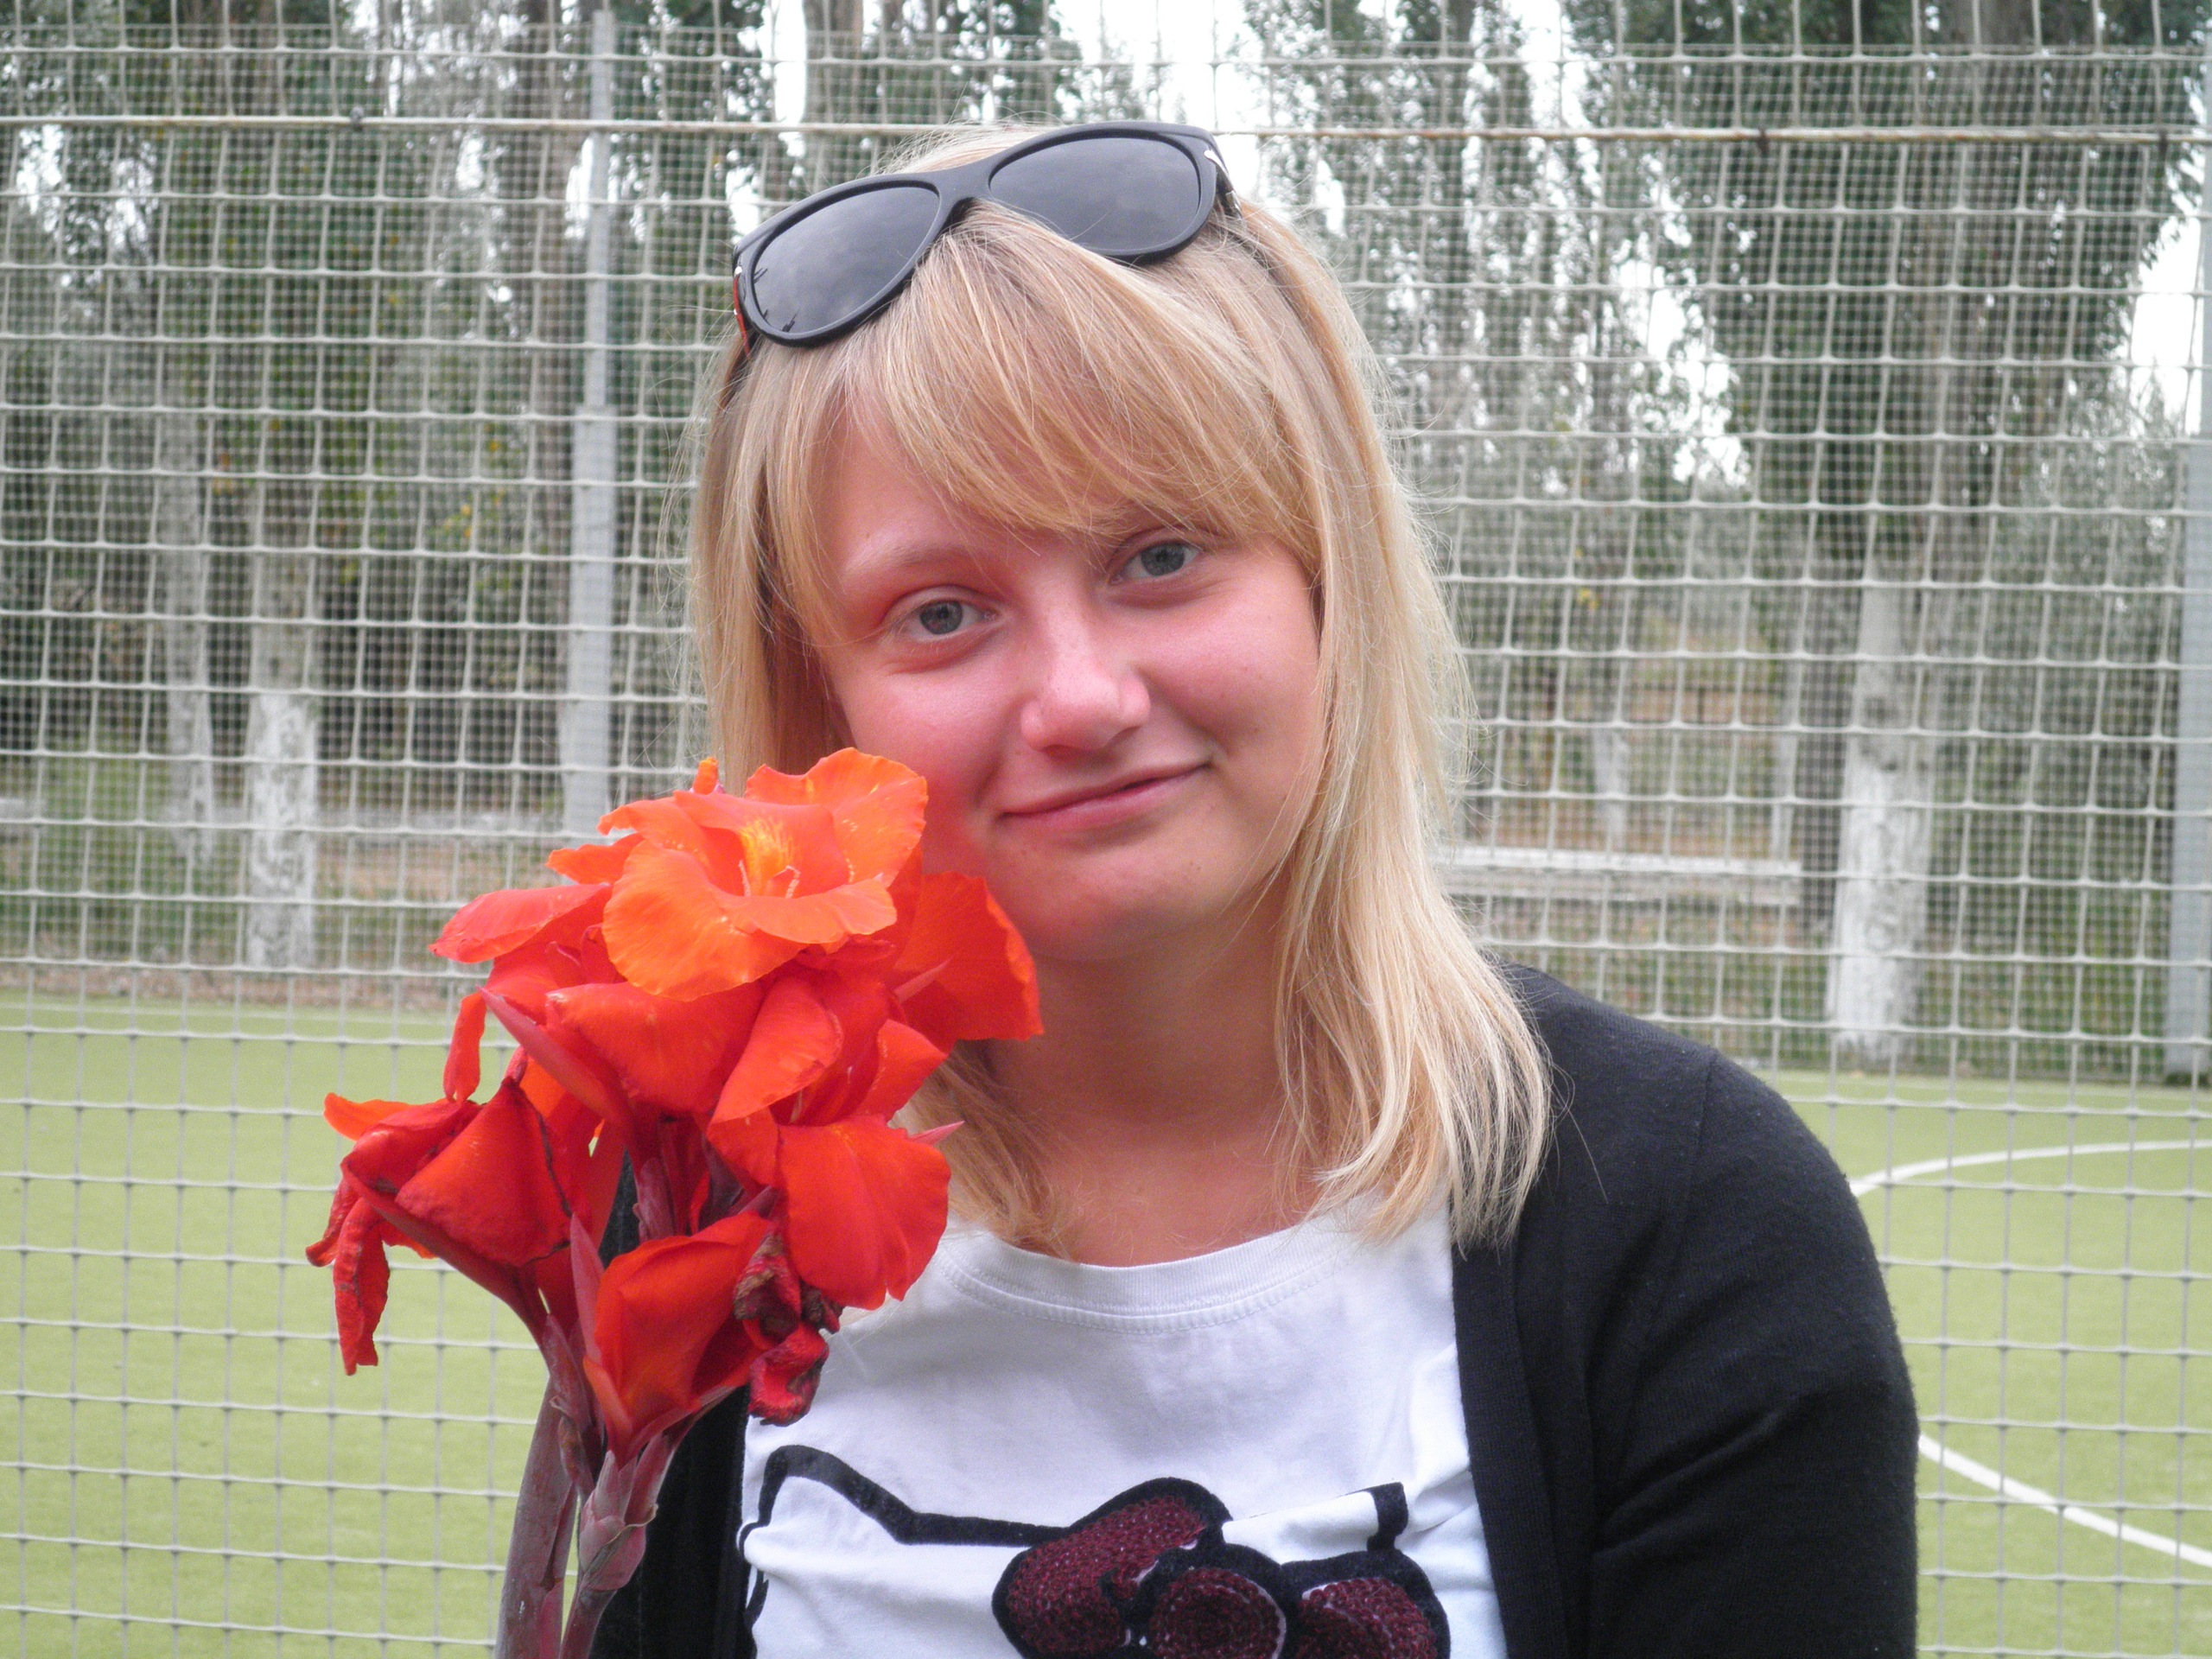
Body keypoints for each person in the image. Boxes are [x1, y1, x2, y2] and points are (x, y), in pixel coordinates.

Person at [591, 120, 1918, 1659]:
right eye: (941, 612)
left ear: (1328, 581)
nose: (1082, 698)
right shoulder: (710, 1201)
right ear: (820, 690)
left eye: (1161, 555)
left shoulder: (1689, 1234)